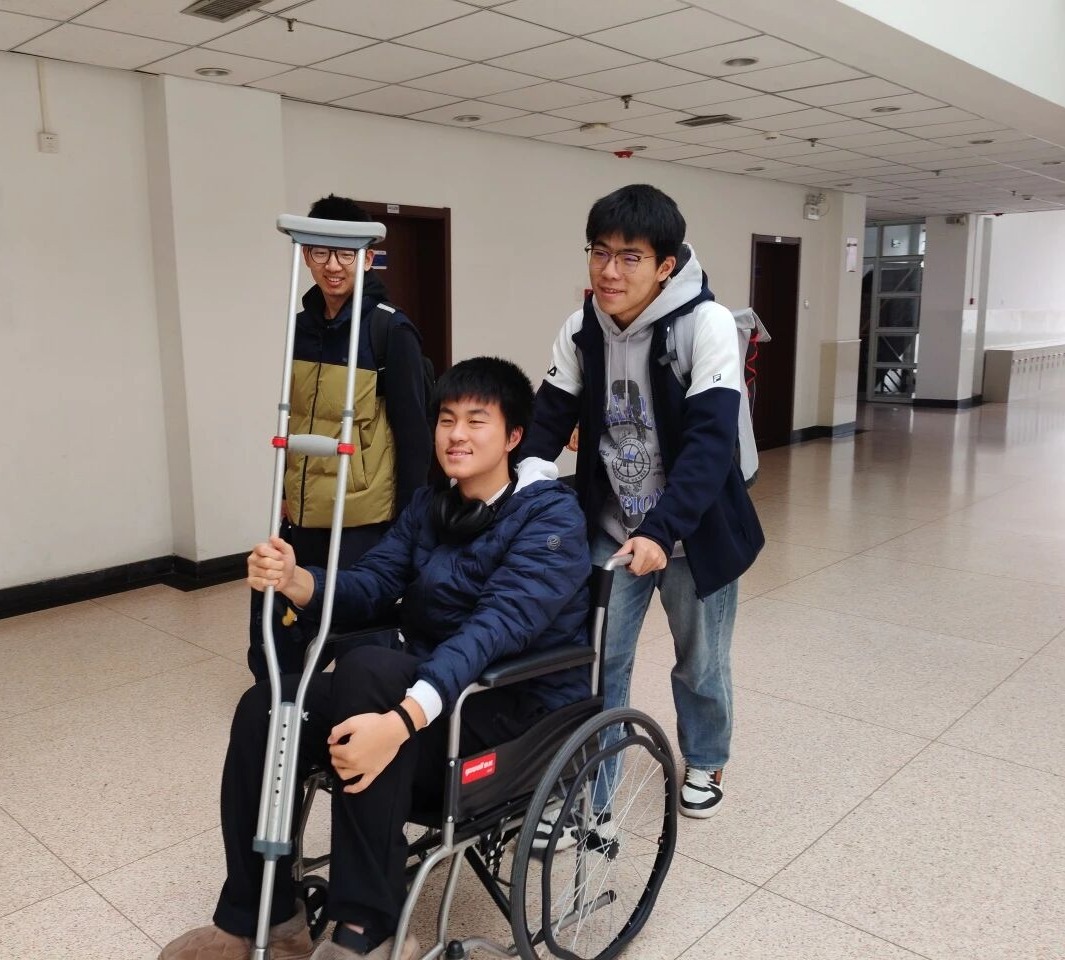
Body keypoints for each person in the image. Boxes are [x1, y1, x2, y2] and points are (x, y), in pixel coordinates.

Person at [160, 357, 591, 960]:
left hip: (509, 711)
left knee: (370, 669)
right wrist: (296, 580)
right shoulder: (430, 506)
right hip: (428, 700)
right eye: (446, 419)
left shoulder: (551, 519)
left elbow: (492, 631)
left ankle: (370, 930)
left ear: (514, 436)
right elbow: (372, 583)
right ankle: (264, 917)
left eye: (477, 421)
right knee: (268, 704)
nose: (456, 434)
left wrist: (400, 721)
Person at [520, 183, 764, 819]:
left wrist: (662, 530)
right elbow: (548, 421)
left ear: (665, 266)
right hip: (611, 526)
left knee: (700, 661)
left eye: (630, 257)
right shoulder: (582, 329)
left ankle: (705, 758)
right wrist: (523, 485)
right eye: (599, 252)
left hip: (694, 529)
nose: (609, 270)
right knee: (600, 659)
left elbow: (711, 444)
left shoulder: (706, 324)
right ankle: (593, 789)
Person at [248, 194, 432, 682]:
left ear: (368, 259)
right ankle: (288, 698)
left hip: (364, 518)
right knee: (282, 631)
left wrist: (410, 525)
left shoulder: (390, 330)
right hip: (306, 510)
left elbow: (415, 437)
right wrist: (286, 492)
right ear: (307, 256)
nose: (333, 265)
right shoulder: (300, 329)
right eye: (321, 252)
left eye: (346, 253)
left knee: (358, 646)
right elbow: (295, 420)